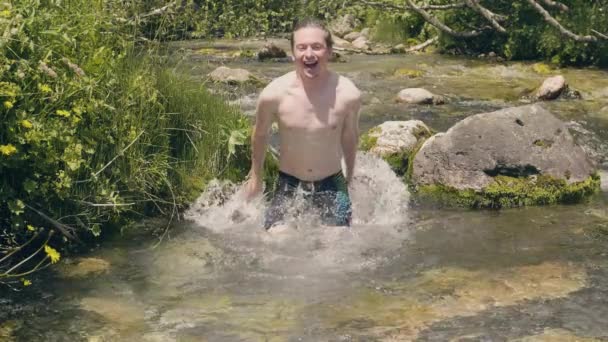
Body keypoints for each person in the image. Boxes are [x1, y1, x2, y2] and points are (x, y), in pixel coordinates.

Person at [244, 18, 361, 230]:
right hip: (289, 182)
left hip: (332, 183)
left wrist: (351, 177)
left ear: (329, 52)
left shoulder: (348, 94)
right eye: (302, 47)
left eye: (316, 47)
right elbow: (260, 135)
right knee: (274, 242)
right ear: (292, 53)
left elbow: (349, 136)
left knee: (339, 248)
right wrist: (256, 177)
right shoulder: (273, 94)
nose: (309, 54)